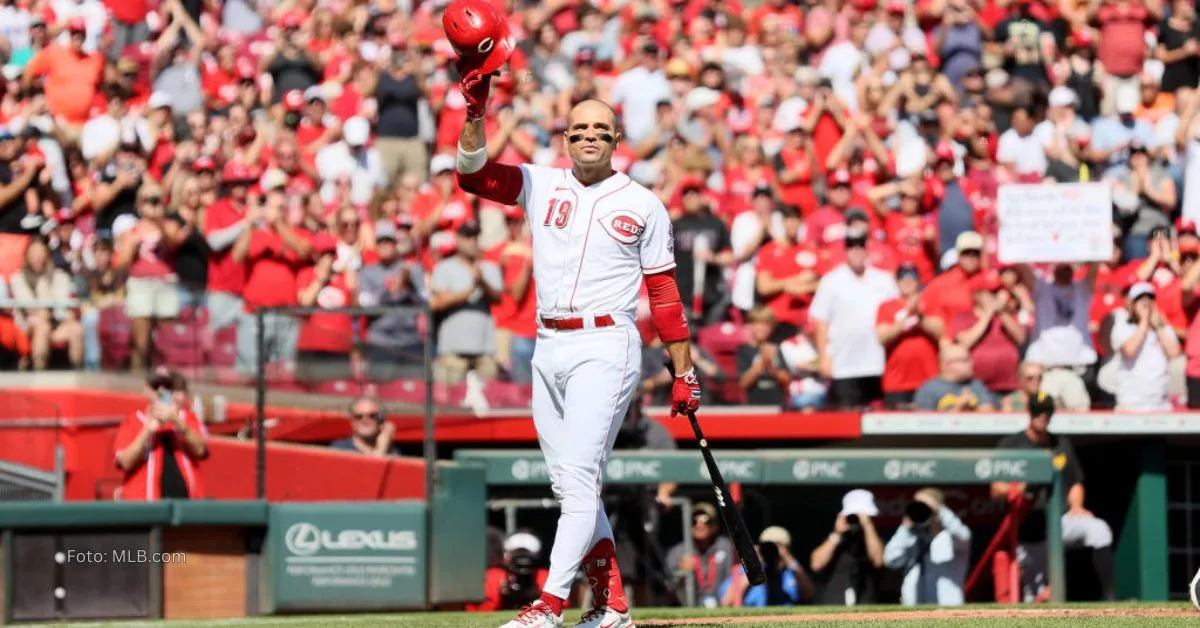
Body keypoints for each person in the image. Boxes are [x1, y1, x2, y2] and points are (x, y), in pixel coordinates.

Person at [450, 12, 701, 625]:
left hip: (606, 344)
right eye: (579, 128)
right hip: (547, 346)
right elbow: (473, 175)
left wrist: (683, 372)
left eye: (601, 130)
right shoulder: (542, 183)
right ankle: (611, 605)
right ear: (566, 137)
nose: (589, 136)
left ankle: (550, 605)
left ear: (617, 142)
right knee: (570, 487)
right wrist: (476, 109)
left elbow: (664, 294)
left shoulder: (642, 202)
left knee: (582, 477)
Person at [993, 393, 1116, 602]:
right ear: (1030, 413)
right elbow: (996, 489)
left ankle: (1110, 598)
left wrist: (1076, 505)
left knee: (1099, 529)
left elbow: (1075, 480)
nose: (1043, 416)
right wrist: (1018, 488)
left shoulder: (1060, 443)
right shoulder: (1011, 444)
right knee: (1035, 598)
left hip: (1059, 522)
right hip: (1027, 529)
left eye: (1047, 412)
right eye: (1038, 411)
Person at [809, 227, 900, 409]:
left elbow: (896, 314)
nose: (856, 250)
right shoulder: (831, 281)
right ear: (845, 250)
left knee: (879, 420)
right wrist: (824, 358)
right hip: (844, 365)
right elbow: (820, 321)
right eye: (851, 246)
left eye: (860, 246)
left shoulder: (884, 280)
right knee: (846, 418)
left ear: (867, 249)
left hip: (878, 362)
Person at [112, 367, 208, 500]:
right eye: (156, 387)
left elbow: (201, 450)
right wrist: (147, 431)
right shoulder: (133, 421)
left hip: (186, 506)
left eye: (167, 387)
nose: (161, 392)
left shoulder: (186, 418)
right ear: (146, 391)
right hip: (146, 509)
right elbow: (124, 462)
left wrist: (177, 422)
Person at [883, 488, 972, 606]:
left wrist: (939, 511)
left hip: (948, 610)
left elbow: (964, 536)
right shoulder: (910, 537)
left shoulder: (950, 537)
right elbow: (890, 559)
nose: (921, 510)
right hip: (912, 611)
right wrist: (905, 527)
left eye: (924, 507)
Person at [1109, 282, 1181, 410]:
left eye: (1150, 300)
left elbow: (1174, 353)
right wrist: (1144, 322)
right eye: (1140, 300)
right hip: (1131, 402)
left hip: (1160, 403)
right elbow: (1129, 350)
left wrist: (1157, 327)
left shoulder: (1163, 328)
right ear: (1132, 305)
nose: (1146, 305)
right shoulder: (1123, 327)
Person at [809, 489, 885, 606]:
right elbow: (816, 565)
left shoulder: (873, 537)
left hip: (867, 604)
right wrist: (837, 534)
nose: (856, 521)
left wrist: (867, 525)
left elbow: (878, 561)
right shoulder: (834, 538)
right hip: (834, 603)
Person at [720, 526, 814, 608]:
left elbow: (809, 593)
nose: (771, 552)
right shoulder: (744, 570)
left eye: (778, 547)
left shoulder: (792, 573)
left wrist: (788, 558)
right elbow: (726, 603)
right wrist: (754, 566)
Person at [664, 503, 734, 608]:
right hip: (688, 606)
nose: (699, 525)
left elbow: (741, 572)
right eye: (694, 520)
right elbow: (668, 589)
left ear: (715, 526)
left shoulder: (726, 546)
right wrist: (680, 572)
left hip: (723, 602)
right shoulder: (677, 552)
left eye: (706, 520)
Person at [913, 344, 997, 411]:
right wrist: (959, 408)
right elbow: (925, 423)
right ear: (947, 365)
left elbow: (988, 411)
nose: (971, 364)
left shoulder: (976, 385)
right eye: (964, 360)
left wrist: (972, 410)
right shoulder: (929, 388)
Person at [328, 396, 399, 457]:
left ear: (381, 420)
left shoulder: (393, 451)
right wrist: (381, 449)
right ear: (352, 422)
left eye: (372, 416)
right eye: (359, 416)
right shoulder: (339, 449)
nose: (365, 421)